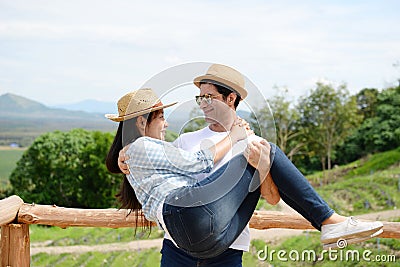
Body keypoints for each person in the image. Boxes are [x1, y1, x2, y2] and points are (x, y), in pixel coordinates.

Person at [117, 64, 384, 266]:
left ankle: (329, 221)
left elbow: (270, 196)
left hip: (225, 245)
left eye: (208, 97)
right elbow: (158, 167)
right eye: (200, 98)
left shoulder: (252, 142)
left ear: (230, 99)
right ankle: (329, 220)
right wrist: (124, 155)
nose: (201, 104)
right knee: (267, 149)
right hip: (178, 247)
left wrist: (263, 166)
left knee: (264, 149)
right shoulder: (186, 140)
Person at [106, 88, 271, 259]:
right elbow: (198, 161)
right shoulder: (150, 146)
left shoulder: (141, 152)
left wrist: (123, 153)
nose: (166, 123)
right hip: (190, 236)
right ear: (141, 123)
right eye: (162, 117)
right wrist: (234, 136)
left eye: (209, 97)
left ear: (231, 99)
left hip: (194, 239)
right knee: (258, 158)